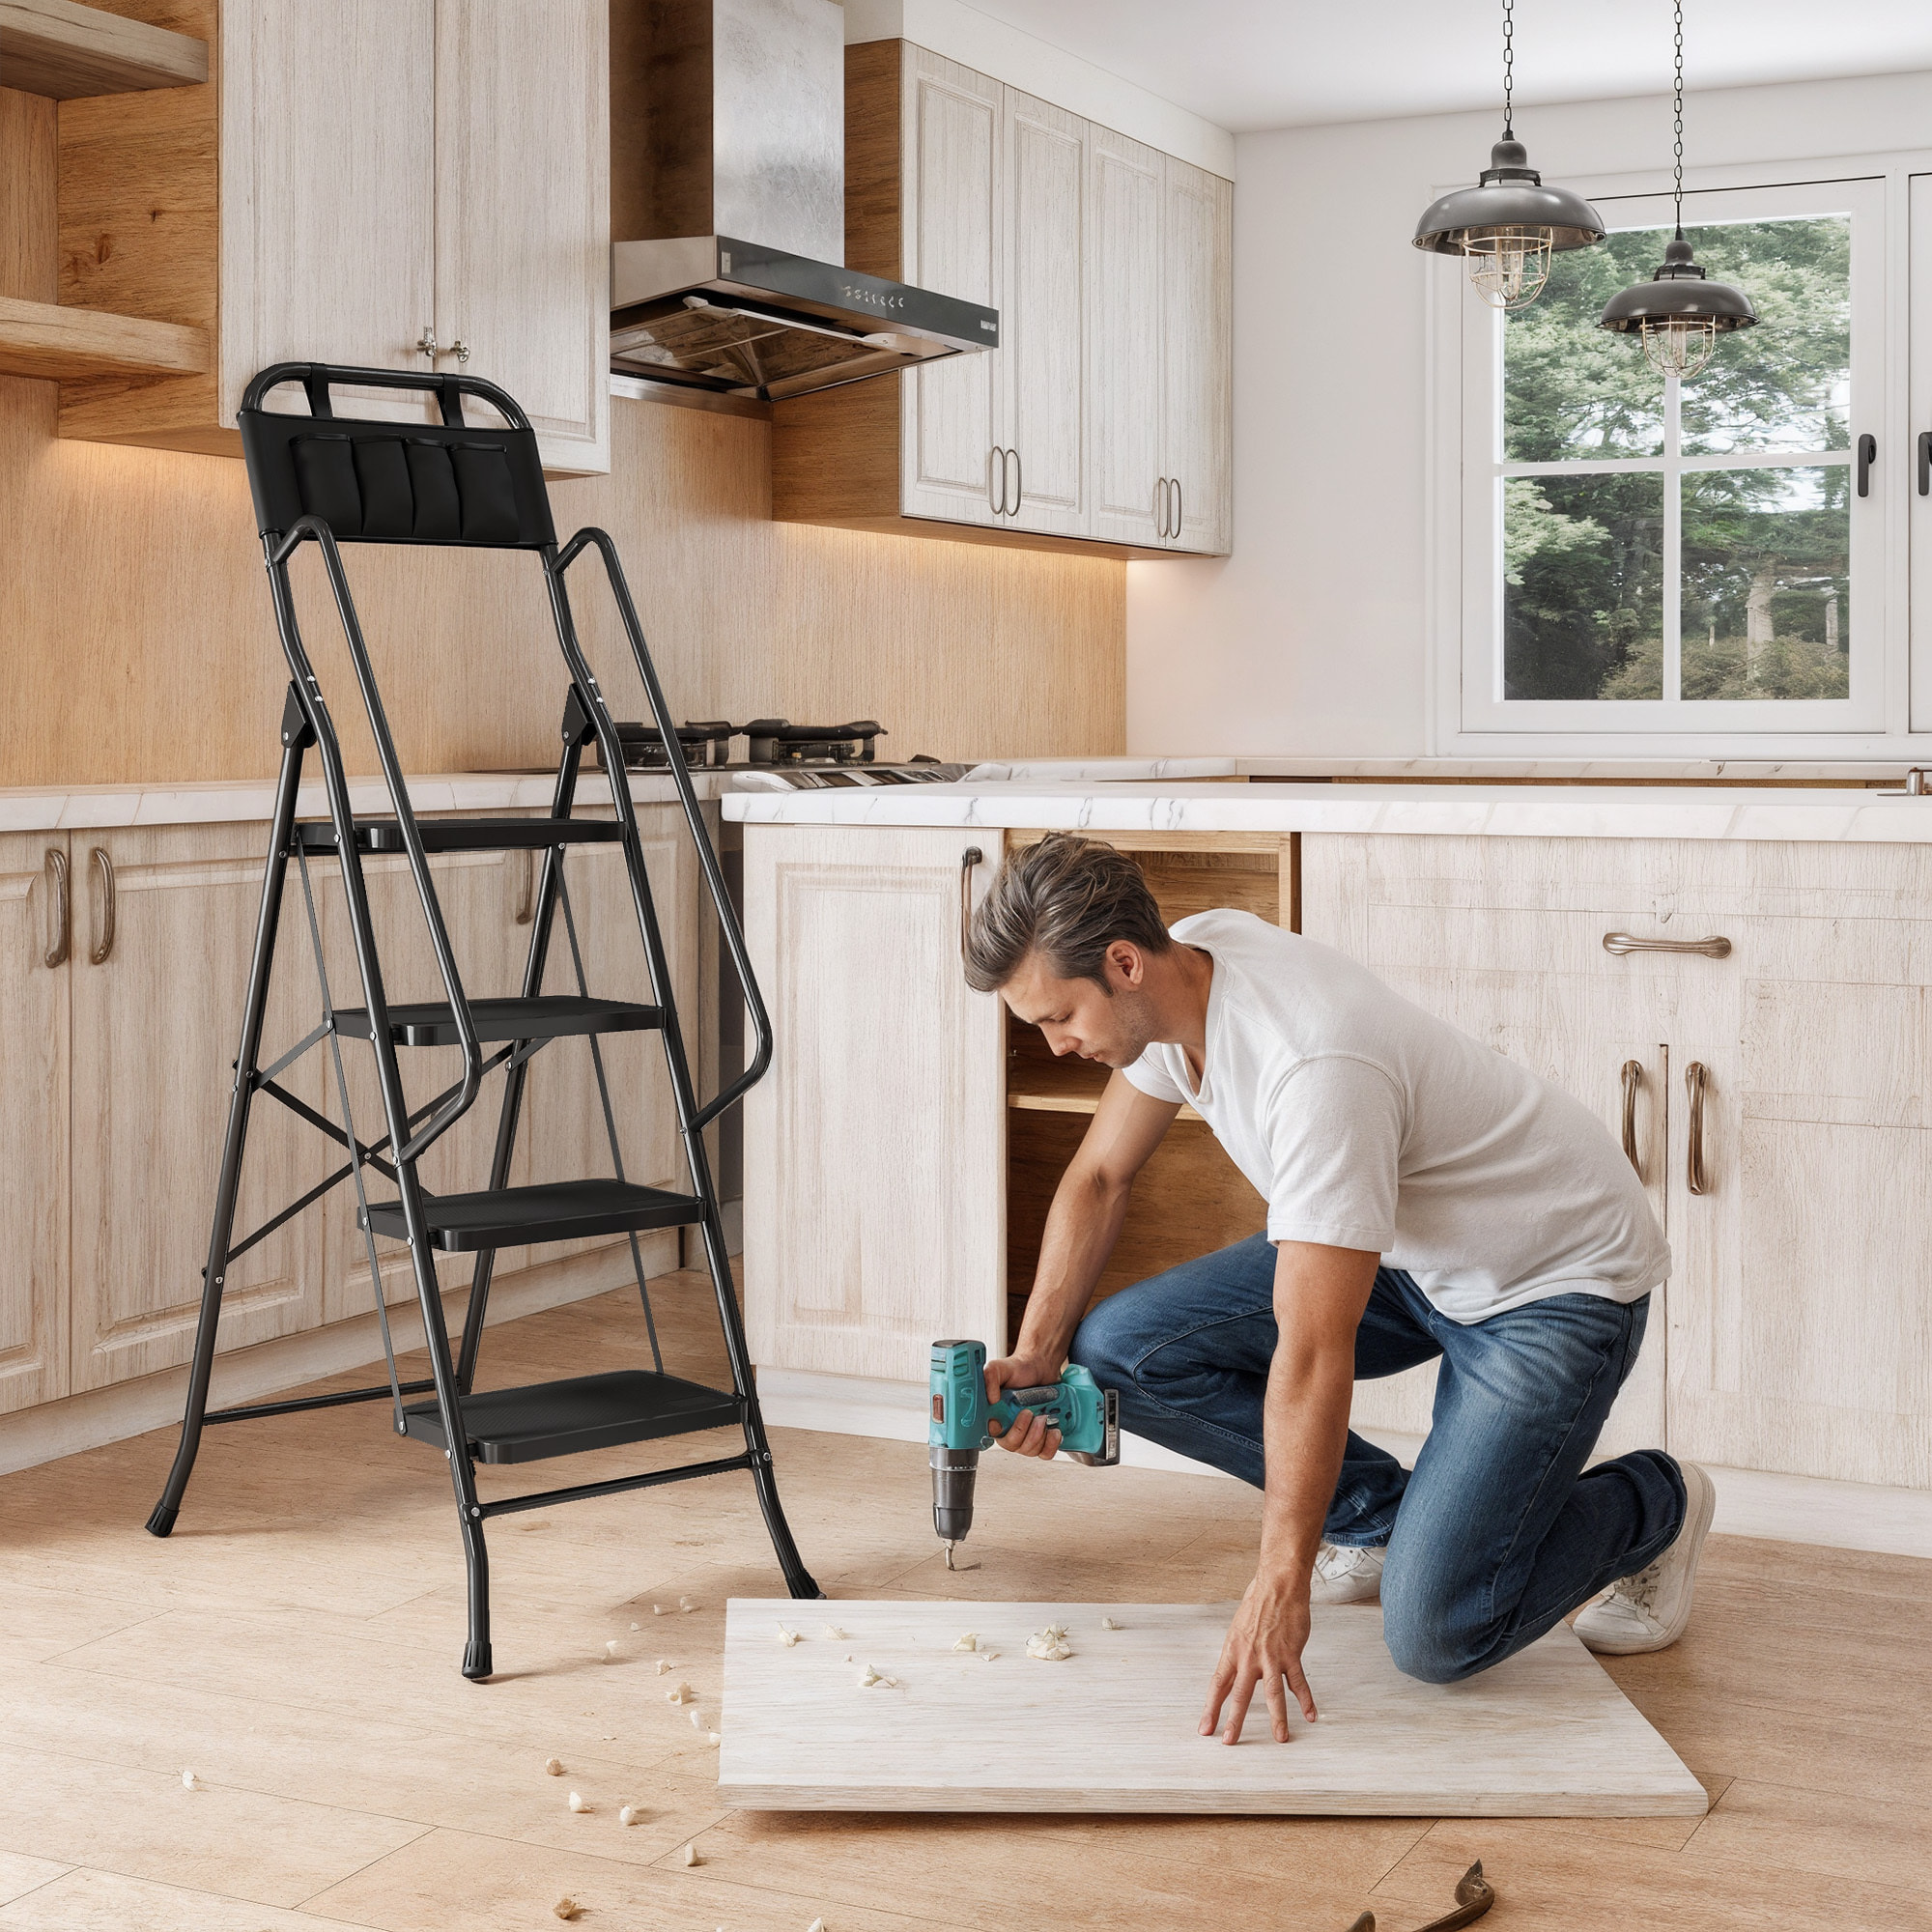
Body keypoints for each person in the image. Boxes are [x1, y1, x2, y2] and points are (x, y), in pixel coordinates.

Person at [962, 833, 1713, 1748]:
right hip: (1407, 1248)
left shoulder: (1316, 1067)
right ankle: (1382, 1524)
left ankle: (1657, 1503)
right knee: (1117, 1352)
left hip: (1548, 1278)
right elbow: (1097, 1178)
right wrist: (1038, 1353)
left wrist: (1279, 1576)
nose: (1054, 1044)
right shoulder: (1179, 974)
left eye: (1059, 1017)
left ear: (1123, 964)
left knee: (1438, 1631)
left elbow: (1315, 1352)